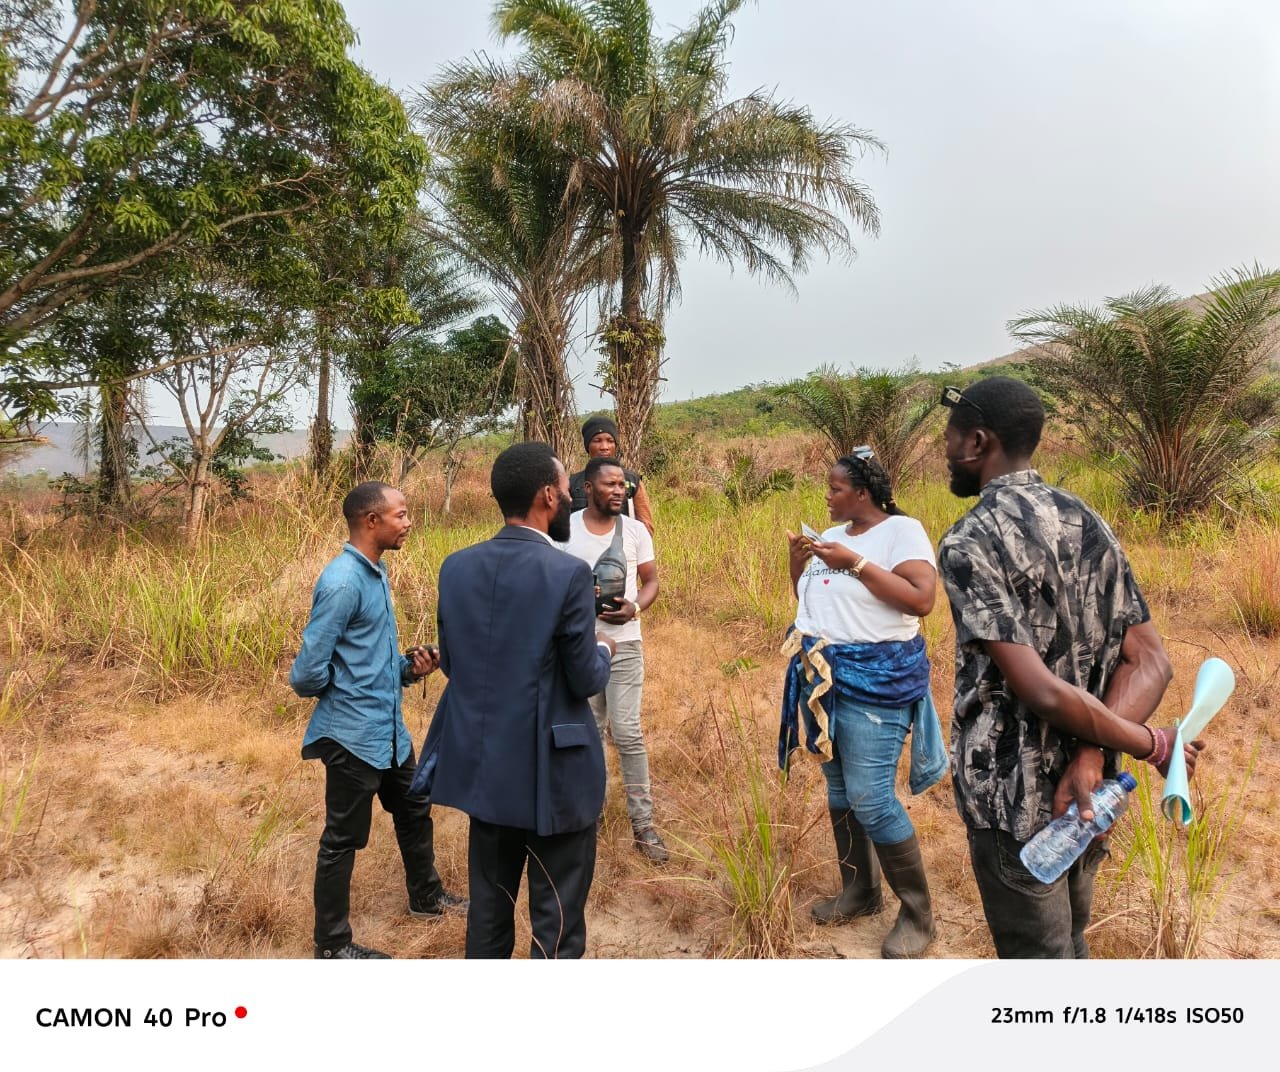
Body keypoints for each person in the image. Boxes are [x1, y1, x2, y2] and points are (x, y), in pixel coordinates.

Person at [936, 376, 1203, 958]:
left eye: (951, 438)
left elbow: (1042, 692)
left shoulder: (969, 542)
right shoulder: (1087, 520)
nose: (945, 451)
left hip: (1015, 801)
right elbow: (1150, 659)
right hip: (1088, 794)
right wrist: (1089, 757)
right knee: (1072, 944)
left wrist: (1150, 744)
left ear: (979, 442)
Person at [411, 442, 615, 958]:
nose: (570, 498)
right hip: (554, 773)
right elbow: (585, 677)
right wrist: (605, 649)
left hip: (486, 770)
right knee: (558, 920)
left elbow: (454, 666)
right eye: (566, 489)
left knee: (488, 912)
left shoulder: (455, 567)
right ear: (548, 495)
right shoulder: (568, 574)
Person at [781, 448, 946, 959]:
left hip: (877, 680)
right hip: (825, 681)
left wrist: (855, 562)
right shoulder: (830, 538)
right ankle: (860, 891)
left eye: (835, 489)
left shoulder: (901, 531)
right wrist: (799, 561)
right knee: (838, 791)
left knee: (872, 798)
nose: (827, 497)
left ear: (862, 492)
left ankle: (919, 916)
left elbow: (921, 600)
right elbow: (811, 601)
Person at [290, 481, 465, 960]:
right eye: (401, 515)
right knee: (342, 840)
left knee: (413, 811)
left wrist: (409, 670)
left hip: (389, 733)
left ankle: (427, 899)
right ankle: (332, 945)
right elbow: (305, 675)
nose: (408, 523)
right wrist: (349, 693)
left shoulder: (375, 573)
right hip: (351, 736)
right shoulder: (344, 582)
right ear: (372, 521)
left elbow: (366, 658)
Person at [560, 455, 668, 863]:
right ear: (586, 489)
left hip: (625, 646)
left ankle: (644, 825)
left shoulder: (636, 530)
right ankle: (588, 814)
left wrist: (634, 608)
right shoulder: (564, 531)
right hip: (578, 648)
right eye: (610, 485)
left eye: (622, 485)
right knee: (585, 732)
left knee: (626, 732)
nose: (619, 490)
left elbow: (652, 580)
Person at [569, 415, 655, 535]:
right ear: (588, 446)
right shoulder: (572, 483)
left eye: (610, 441)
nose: (604, 447)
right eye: (597, 441)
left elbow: (646, 527)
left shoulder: (632, 482)